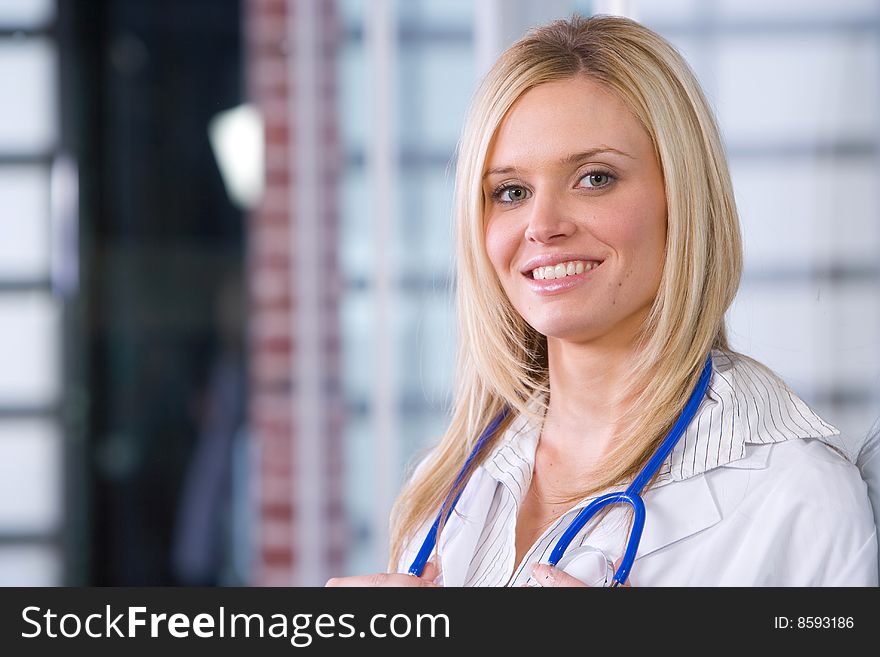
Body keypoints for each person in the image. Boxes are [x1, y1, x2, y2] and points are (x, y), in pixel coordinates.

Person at [326, 14, 878, 587]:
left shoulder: (798, 499)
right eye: (511, 192)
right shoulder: (444, 492)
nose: (541, 226)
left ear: (682, 197)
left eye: (593, 178)